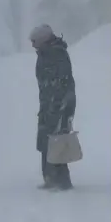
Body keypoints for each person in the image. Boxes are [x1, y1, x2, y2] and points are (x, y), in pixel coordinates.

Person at [30, 24, 77, 191]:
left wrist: (58, 105)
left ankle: (62, 181)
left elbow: (62, 82)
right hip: (47, 104)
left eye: (34, 41)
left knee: (58, 140)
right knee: (46, 140)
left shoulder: (57, 54)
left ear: (43, 40)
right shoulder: (44, 54)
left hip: (60, 104)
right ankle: (50, 178)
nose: (32, 45)